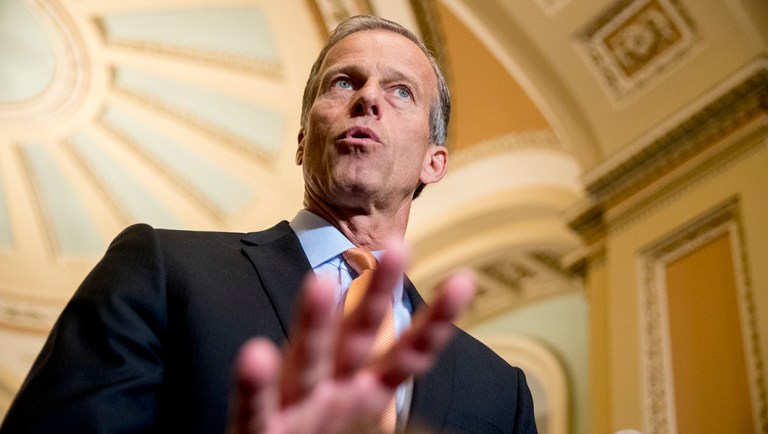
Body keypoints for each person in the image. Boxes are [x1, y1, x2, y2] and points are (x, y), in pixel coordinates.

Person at [0, 15, 536, 434]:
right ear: (303, 141)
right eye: (343, 82)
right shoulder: (164, 273)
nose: (367, 97)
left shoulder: (497, 390)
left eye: (401, 92)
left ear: (433, 162)